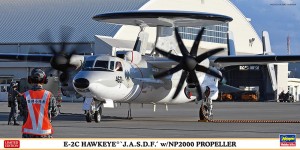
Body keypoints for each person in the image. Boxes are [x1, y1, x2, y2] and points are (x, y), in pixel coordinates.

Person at [20, 68, 58, 138]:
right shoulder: (49, 95)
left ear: (30, 80)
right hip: (45, 133)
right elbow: (54, 113)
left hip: (28, 133)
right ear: (44, 80)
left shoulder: (25, 96)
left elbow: (22, 113)